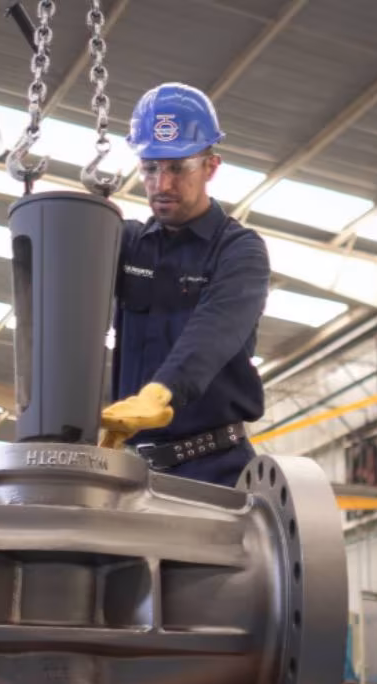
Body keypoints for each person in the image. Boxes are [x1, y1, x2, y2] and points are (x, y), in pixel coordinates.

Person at [99, 82, 270, 489]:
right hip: (132, 472)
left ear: (211, 166)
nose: (162, 185)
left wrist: (164, 390)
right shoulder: (127, 245)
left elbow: (214, 330)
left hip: (214, 471)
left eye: (177, 168)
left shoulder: (239, 251)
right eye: (150, 168)